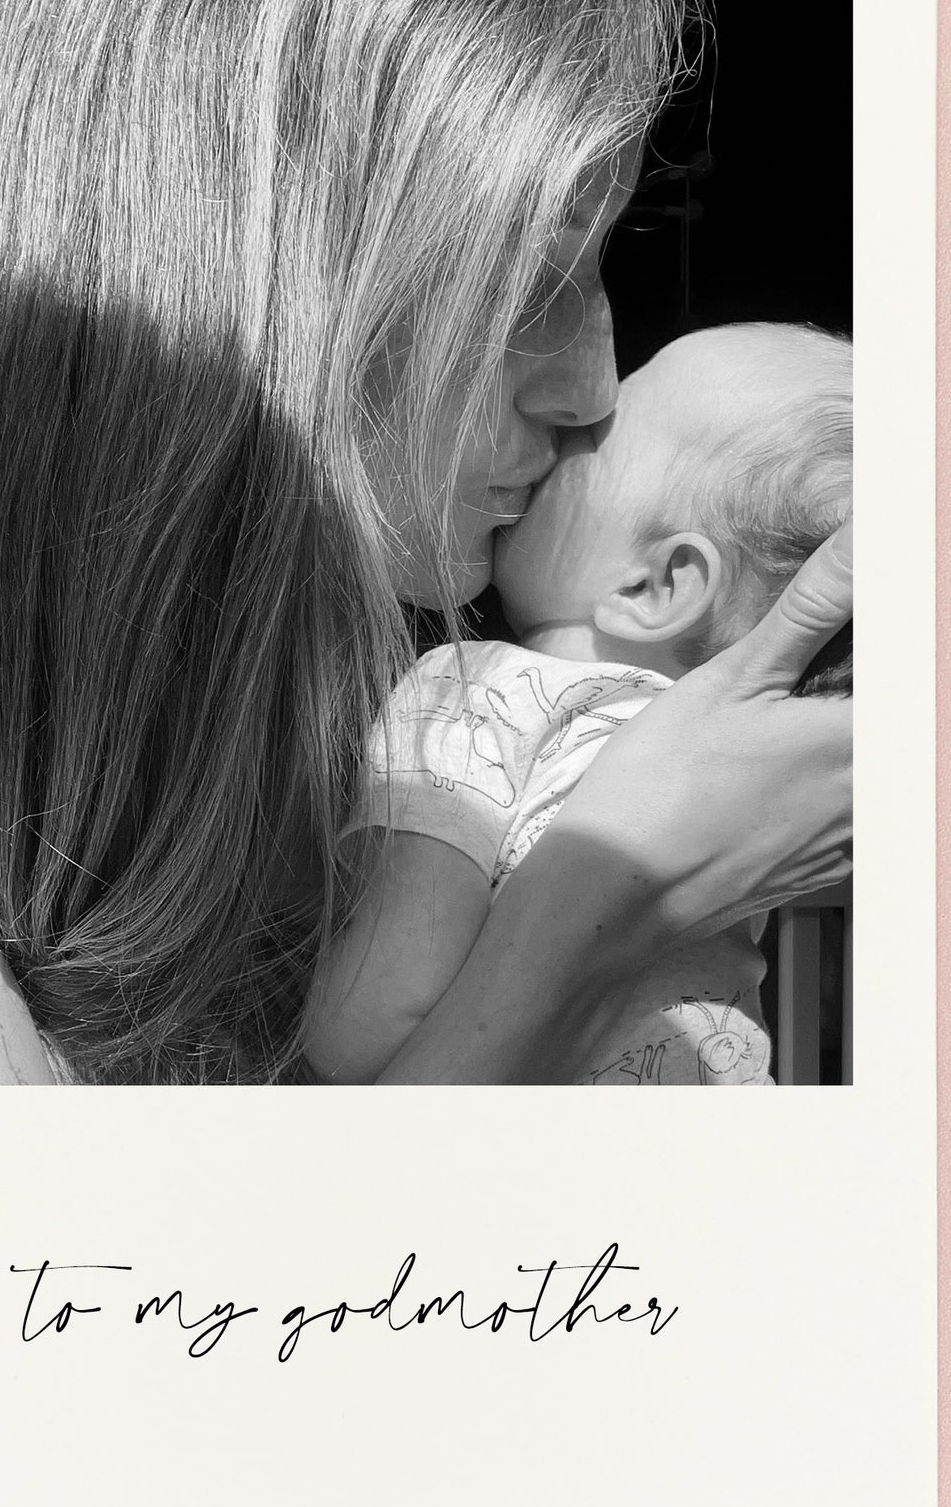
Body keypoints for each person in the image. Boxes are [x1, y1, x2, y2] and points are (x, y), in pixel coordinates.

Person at [0, 0, 853, 1086]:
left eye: (605, 264)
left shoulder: (400, 650)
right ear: (267, 264)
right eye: (528, 279)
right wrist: (601, 912)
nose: (592, 387)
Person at [301, 323, 851, 1085]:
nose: (567, 425)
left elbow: (365, 1021)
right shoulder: (749, 774)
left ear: (653, 587)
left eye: (597, 433)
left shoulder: (471, 695)